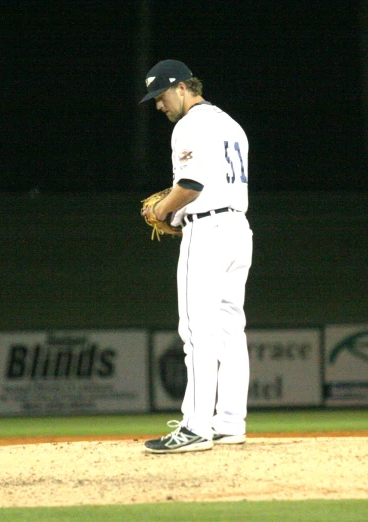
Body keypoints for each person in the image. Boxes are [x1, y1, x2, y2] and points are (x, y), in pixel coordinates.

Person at [140, 59, 253, 454]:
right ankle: (229, 422)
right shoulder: (230, 123)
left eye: (161, 95)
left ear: (183, 88)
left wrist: (160, 211)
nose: (158, 105)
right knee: (229, 330)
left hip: (207, 232)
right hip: (239, 228)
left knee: (196, 332)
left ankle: (194, 427)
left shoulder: (190, 125)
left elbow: (189, 185)